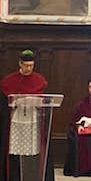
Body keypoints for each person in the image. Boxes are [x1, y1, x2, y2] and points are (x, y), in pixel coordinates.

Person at [0, 49, 54, 181]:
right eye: (26, 65)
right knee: (15, 150)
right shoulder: (9, 80)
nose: (29, 68)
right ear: (20, 64)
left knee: (31, 150)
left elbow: (43, 100)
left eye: (31, 65)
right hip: (16, 120)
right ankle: (15, 175)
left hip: (32, 119)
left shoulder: (39, 80)